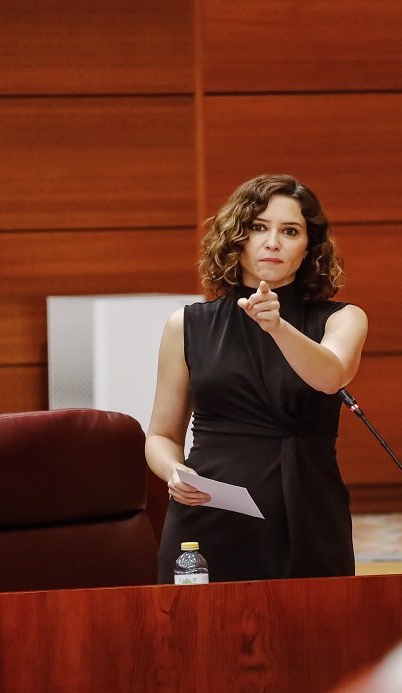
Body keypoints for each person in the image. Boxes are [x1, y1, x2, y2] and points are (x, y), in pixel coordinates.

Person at [146, 174, 368, 582]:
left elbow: (329, 377)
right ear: (236, 239)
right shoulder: (187, 325)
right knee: (197, 638)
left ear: (309, 248)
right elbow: (161, 435)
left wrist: (277, 326)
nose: (272, 242)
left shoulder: (342, 318)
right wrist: (173, 472)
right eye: (258, 227)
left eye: (290, 231)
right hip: (209, 516)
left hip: (307, 512)